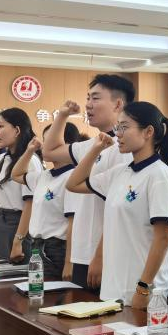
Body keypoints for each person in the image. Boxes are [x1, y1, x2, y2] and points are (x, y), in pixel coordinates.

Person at [67, 102, 168, 307]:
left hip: (143, 290)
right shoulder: (121, 172)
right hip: (114, 286)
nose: (118, 134)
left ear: (148, 132)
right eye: (117, 127)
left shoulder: (159, 175)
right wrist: (96, 149)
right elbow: (73, 184)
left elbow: (163, 237)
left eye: (124, 127)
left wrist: (143, 287)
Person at [42, 74, 136, 291]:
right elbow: (50, 151)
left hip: (104, 255)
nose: (88, 104)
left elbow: (117, 210)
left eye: (95, 98)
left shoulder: (124, 148)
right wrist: (62, 115)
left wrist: (100, 256)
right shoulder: (94, 144)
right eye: (87, 98)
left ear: (118, 104)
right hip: (83, 251)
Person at [11, 128, 80, 279]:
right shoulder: (44, 176)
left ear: (67, 145)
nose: (44, 146)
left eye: (50, 141)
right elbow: (16, 174)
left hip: (56, 249)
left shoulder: (73, 177)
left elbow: (73, 223)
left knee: (51, 291)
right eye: (44, 140)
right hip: (37, 245)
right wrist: (30, 150)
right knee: (37, 289)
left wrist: (69, 262)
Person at [0, 108, 41, 262]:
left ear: (17, 130)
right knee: (5, 271)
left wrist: (18, 242)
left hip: (19, 225)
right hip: (2, 220)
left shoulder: (29, 161)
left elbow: (30, 205)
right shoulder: (6, 158)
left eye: (1, 126)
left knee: (20, 271)